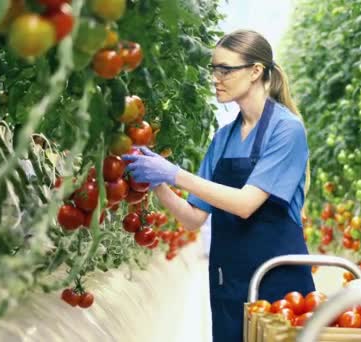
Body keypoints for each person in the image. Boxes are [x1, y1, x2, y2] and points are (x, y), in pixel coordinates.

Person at [123, 29, 314, 342]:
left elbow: (245, 204)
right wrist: (154, 180)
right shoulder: (223, 139)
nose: (216, 77)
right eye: (213, 69)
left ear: (255, 71)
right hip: (229, 284)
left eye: (225, 69)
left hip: (280, 285)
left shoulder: (286, 130)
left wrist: (173, 173)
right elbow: (192, 218)